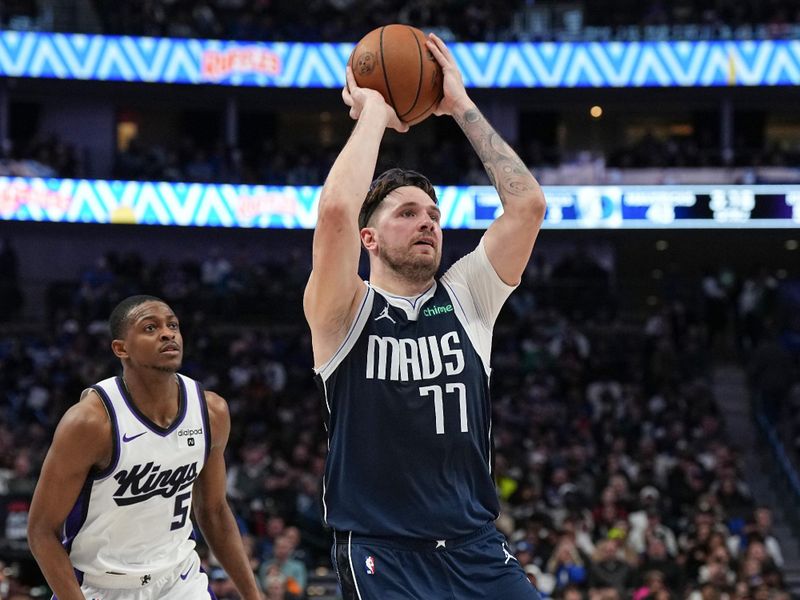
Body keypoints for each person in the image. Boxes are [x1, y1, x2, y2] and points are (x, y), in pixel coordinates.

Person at [303, 32, 546, 599]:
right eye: (407, 213)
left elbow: (528, 205)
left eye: (433, 214)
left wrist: (459, 104)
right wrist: (375, 113)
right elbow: (337, 210)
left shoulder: (468, 295)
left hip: (477, 548)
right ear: (370, 238)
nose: (427, 223)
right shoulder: (343, 310)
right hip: (382, 554)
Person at [27, 295, 261, 600]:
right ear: (121, 348)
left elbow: (214, 512)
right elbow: (41, 532)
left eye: (172, 325)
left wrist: (255, 596)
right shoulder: (90, 423)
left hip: (180, 579)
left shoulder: (211, 411)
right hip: (102, 587)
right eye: (150, 328)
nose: (167, 333)